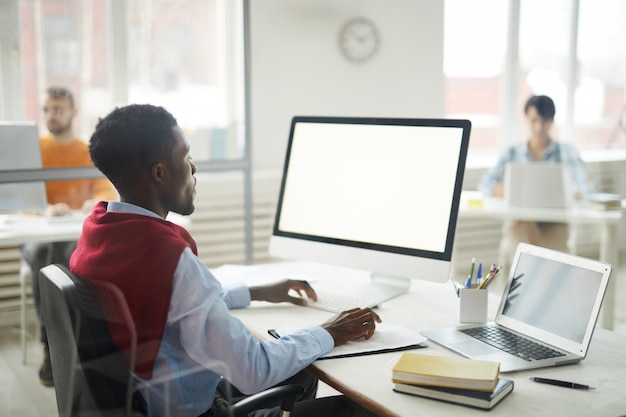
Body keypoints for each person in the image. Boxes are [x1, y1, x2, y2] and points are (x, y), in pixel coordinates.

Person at [69, 104, 381, 417]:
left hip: (153, 398)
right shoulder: (168, 257)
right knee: (360, 409)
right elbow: (253, 368)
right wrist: (330, 331)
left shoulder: (101, 231)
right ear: (160, 172)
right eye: (186, 156)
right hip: (191, 409)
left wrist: (257, 292)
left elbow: (174, 305)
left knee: (299, 371)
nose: (193, 169)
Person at [21, 86, 117, 387]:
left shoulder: (84, 150)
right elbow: (19, 196)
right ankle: (51, 345)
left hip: (72, 232)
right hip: (38, 231)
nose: (52, 115)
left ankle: (79, 343)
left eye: (58, 109)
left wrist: (93, 201)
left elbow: (104, 187)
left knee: (73, 254)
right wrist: (44, 208)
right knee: (41, 255)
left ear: (72, 113)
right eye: (47, 109)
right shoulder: (33, 150)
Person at [478, 94, 595, 264]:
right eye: (534, 120)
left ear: (552, 121)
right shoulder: (512, 152)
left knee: (530, 252)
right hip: (521, 224)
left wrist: (573, 194)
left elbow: (590, 188)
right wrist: (507, 191)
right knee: (523, 228)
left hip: (554, 226)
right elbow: (485, 184)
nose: (539, 127)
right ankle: (541, 274)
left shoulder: (567, 152)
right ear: (526, 119)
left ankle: (530, 274)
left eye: (545, 121)